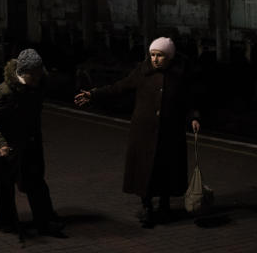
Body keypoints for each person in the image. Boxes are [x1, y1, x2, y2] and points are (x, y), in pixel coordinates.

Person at [74, 37, 200, 228]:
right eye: (152, 55)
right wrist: (93, 94)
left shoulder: (180, 75)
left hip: (170, 132)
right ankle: (147, 206)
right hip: (144, 132)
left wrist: (193, 117)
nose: (155, 59)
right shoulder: (143, 72)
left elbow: (188, 100)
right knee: (145, 170)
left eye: (160, 56)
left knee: (166, 169)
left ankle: (165, 206)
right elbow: (119, 87)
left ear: (169, 57)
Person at [0, 48, 66, 239]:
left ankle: (46, 221)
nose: (38, 79)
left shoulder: (38, 84)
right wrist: (0, 144)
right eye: (34, 76)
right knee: (4, 185)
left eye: (40, 75)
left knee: (36, 182)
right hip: (6, 145)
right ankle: (6, 222)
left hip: (27, 142)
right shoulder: (4, 92)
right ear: (23, 73)